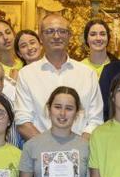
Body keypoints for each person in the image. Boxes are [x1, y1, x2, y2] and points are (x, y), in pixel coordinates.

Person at [14, 13, 103, 141]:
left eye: (62, 31)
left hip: (80, 151)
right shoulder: (27, 74)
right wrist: (48, 148)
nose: (56, 36)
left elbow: (96, 120)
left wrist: (77, 147)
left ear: (69, 35)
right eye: (50, 31)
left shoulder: (87, 74)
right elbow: (22, 121)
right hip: (40, 153)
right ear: (40, 37)